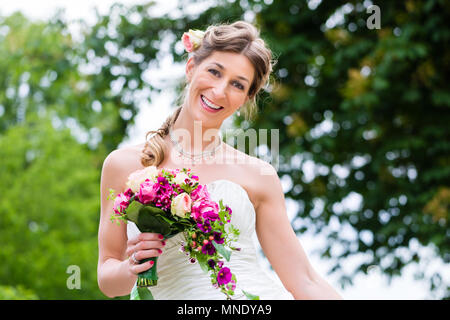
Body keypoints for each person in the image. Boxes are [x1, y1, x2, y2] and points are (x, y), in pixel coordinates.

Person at [98, 21, 342, 300]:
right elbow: (107, 279)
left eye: (237, 85)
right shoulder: (124, 166)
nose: (219, 91)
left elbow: (304, 280)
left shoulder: (258, 174)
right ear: (191, 68)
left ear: (246, 98)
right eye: (214, 72)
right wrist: (132, 268)